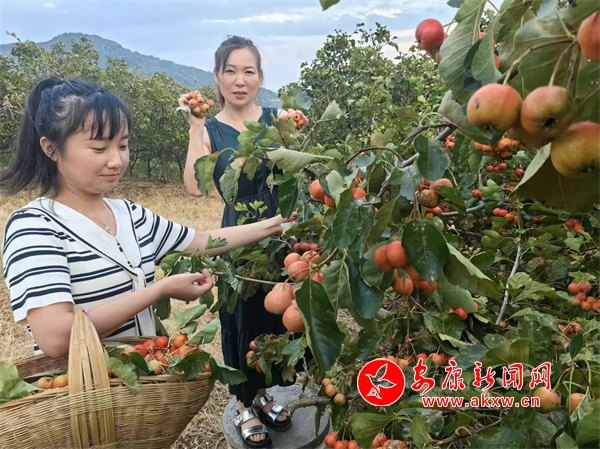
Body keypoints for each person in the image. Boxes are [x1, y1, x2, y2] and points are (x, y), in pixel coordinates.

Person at [0, 77, 295, 367]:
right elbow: (55, 337)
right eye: (99, 149)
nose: (116, 161)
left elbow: (200, 242)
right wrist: (159, 290)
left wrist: (278, 224)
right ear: (51, 148)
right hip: (85, 392)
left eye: (123, 146)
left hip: (144, 390)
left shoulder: (130, 214)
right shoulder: (35, 227)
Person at [178, 36, 308, 448]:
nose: (240, 80)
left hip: (282, 232)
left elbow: (298, 170)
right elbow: (194, 187)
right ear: (217, 77)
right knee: (242, 317)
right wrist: (195, 125)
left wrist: (298, 129)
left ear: (260, 77)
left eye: (248, 71)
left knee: (278, 315)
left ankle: (263, 393)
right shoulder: (210, 130)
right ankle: (242, 402)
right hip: (237, 235)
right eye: (230, 71)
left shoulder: (276, 119)